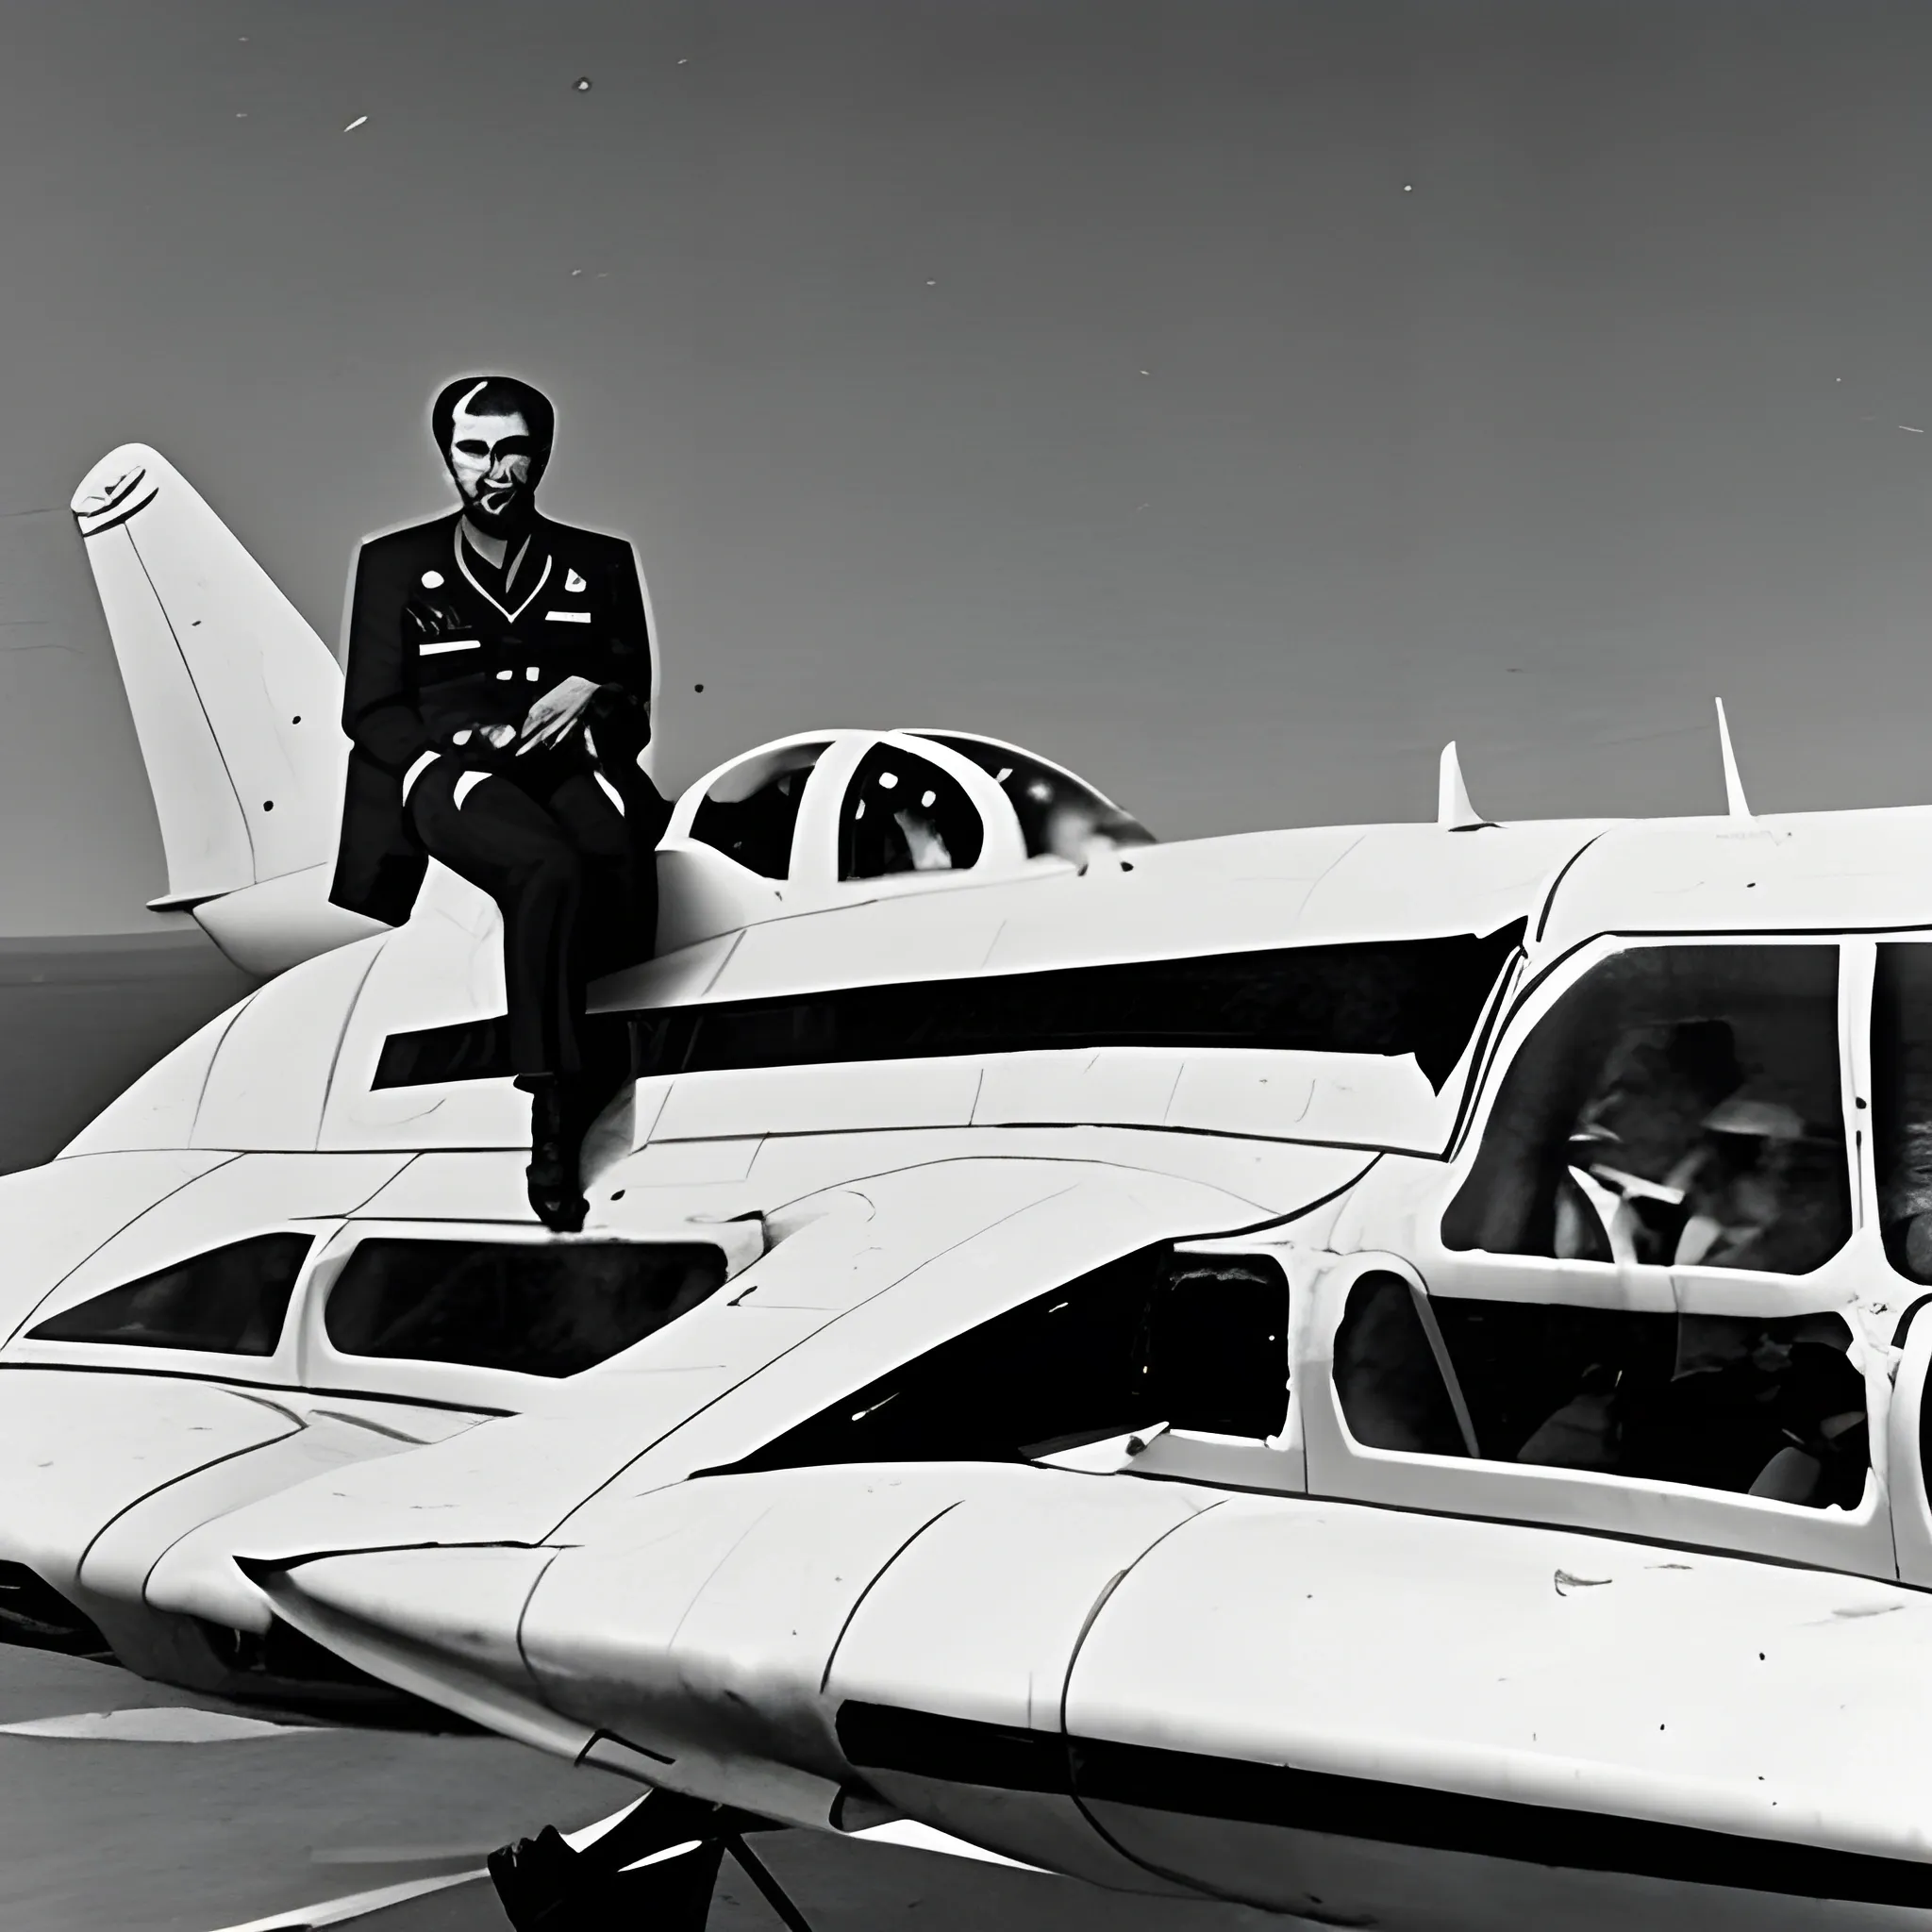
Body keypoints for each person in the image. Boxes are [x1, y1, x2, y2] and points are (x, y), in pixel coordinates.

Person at [329, 375, 667, 1231]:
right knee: (542, 867)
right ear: (449, 458)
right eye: (475, 450)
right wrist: (458, 748)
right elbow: (368, 710)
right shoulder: (395, 564)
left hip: (563, 760)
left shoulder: (600, 561)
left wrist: (591, 690)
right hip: (445, 770)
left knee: (620, 854)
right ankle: (551, 1110)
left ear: (540, 455)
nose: (496, 469)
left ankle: (607, 1057)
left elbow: (635, 692)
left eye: (513, 449)